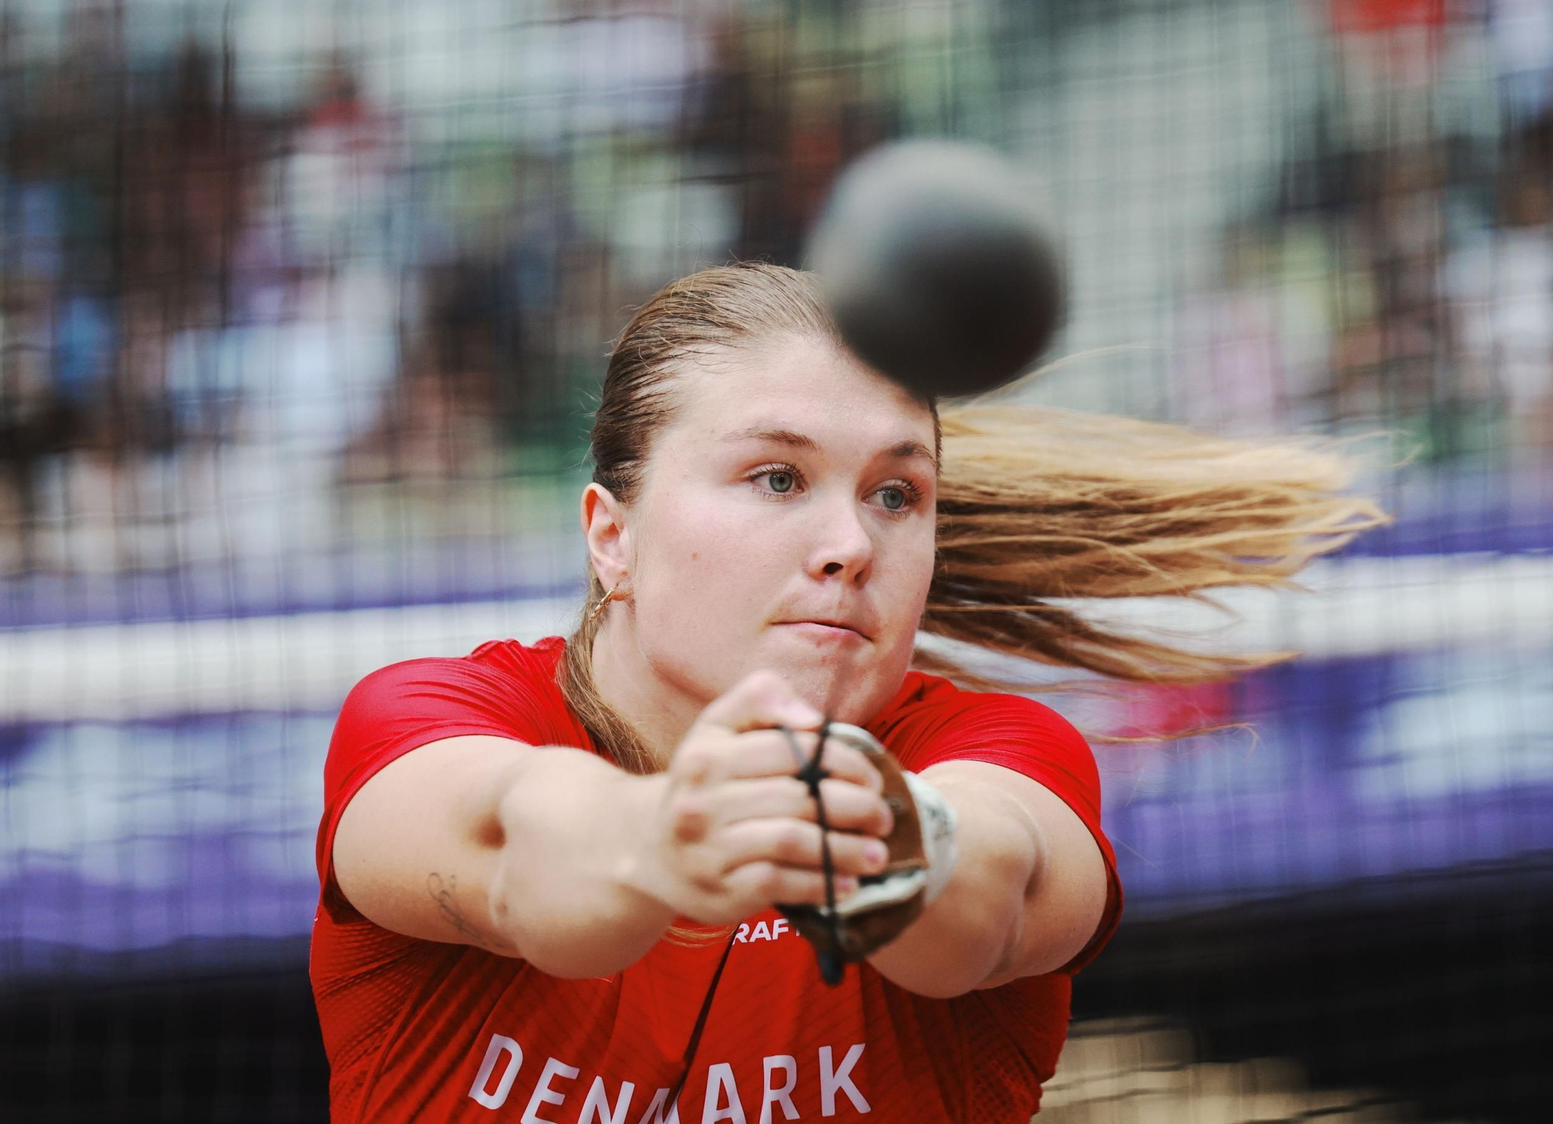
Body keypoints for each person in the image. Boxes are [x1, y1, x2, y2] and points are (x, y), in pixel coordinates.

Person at [311, 264, 1383, 1123]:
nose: (850, 543)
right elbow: (517, 852)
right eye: (776, 477)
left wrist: (872, 840)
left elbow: (988, 887)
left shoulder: (1001, 750)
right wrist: (670, 835)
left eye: (895, 495)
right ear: (612, 537)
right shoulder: (429, 718)